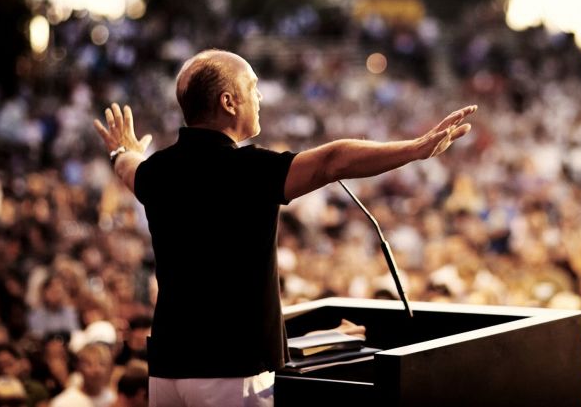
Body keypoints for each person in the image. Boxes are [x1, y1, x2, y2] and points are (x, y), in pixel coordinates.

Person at [92, 49, 477, 406]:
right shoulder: (249, 170)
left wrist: (121, 149)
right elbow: (333, 161)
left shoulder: (158, 171)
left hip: (168, 370)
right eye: (252, 87)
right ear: (228, 102)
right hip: (231, 371)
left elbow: (129, 168)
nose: (259, 97)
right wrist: (416, 148)